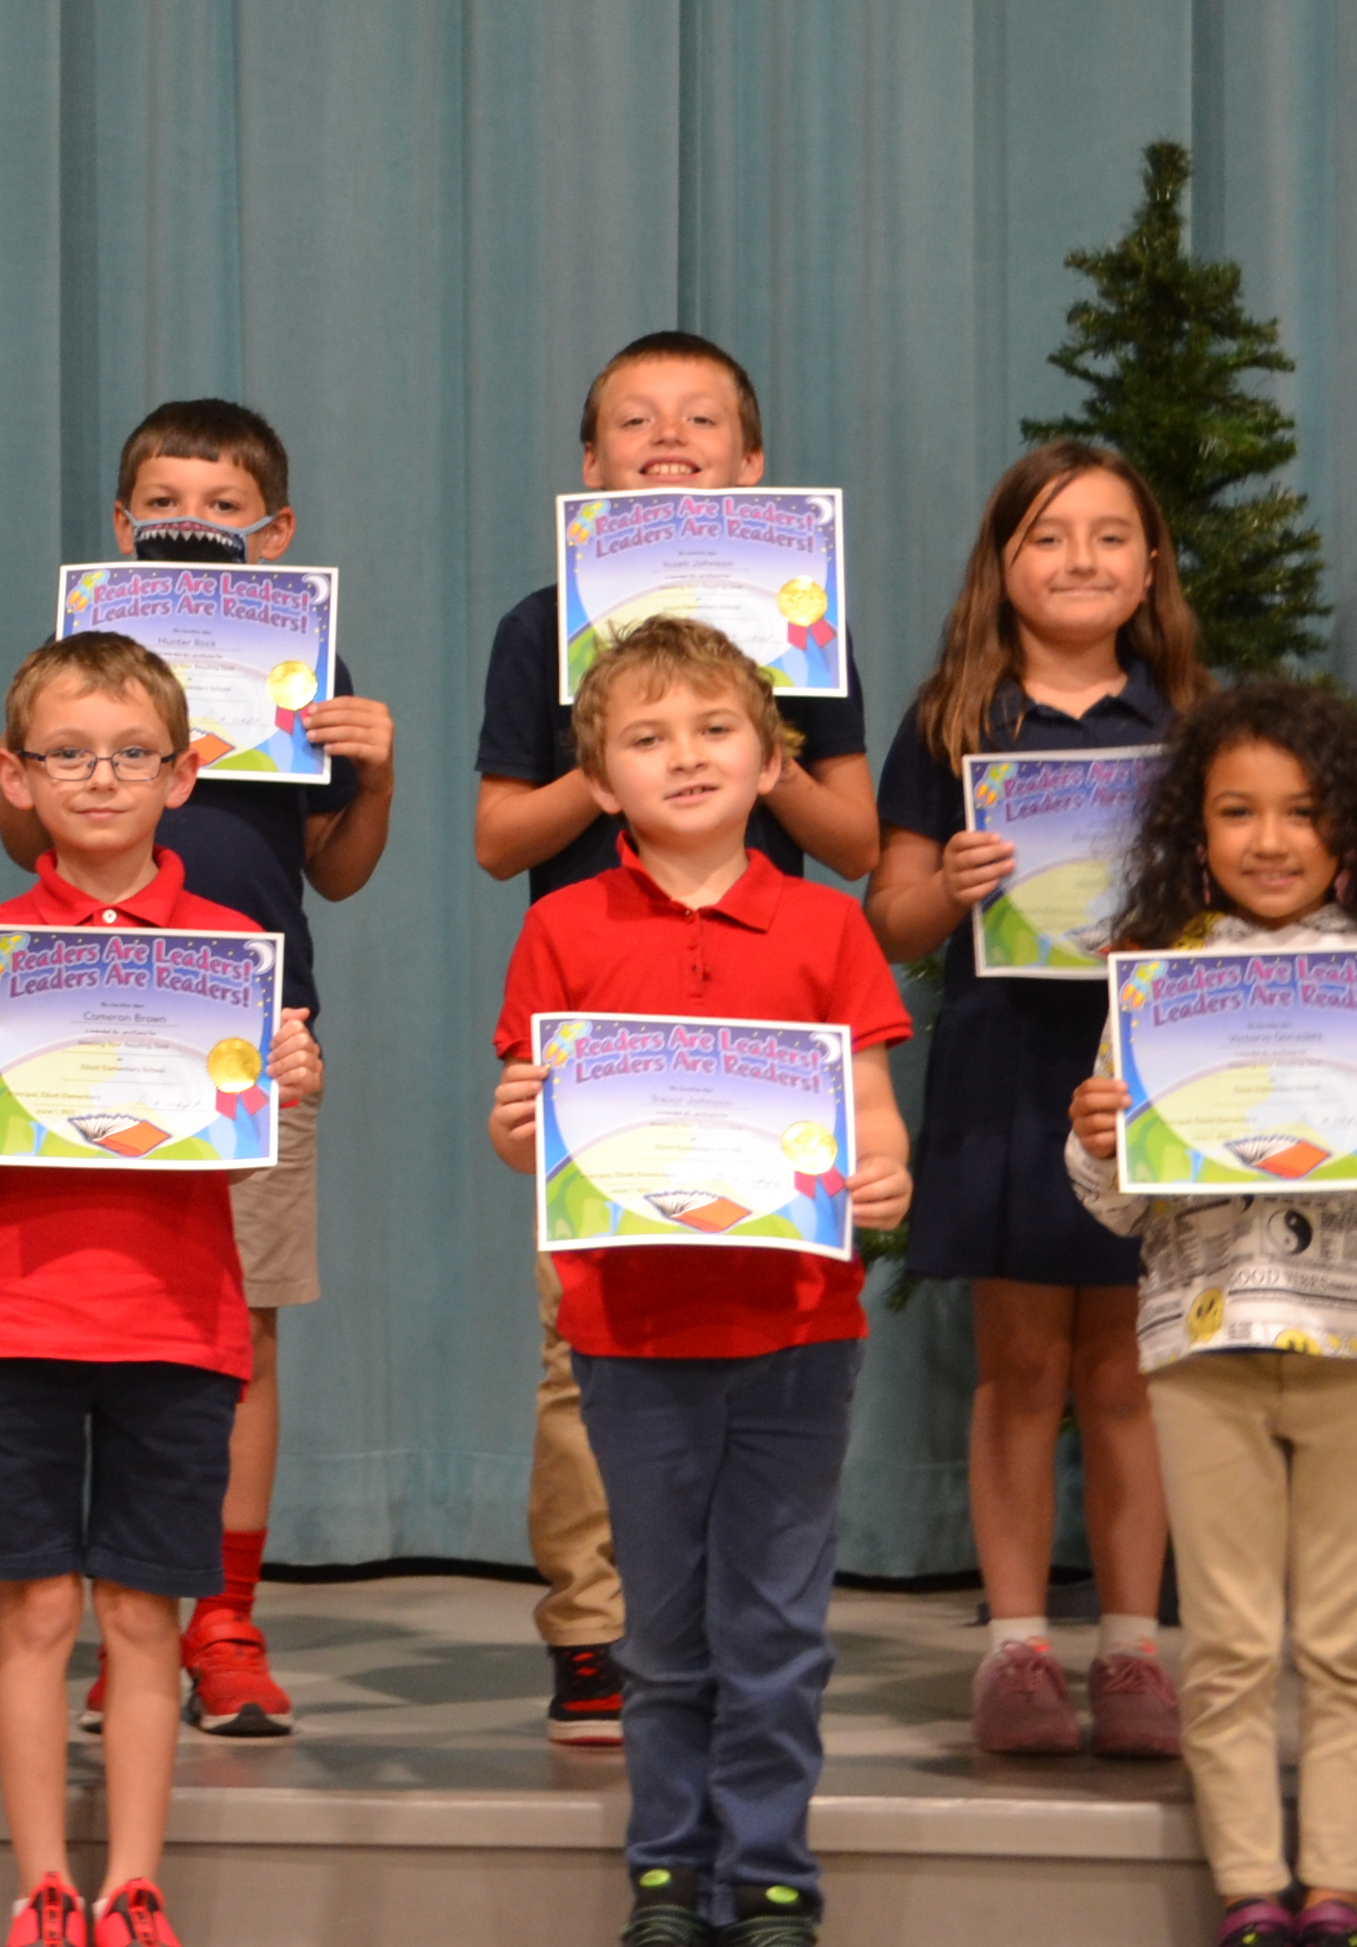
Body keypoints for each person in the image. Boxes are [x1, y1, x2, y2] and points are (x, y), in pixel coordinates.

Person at [467, 331, 876, 1742]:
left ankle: (722, 1629)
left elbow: (860, 835)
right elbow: (495, 836)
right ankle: (593, 1629)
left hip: (766, 1037)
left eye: (702, 420)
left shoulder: (805, 625)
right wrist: (616, 753)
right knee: (580, 1350)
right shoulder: (539, 628)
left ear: (751, 463)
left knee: (764, 1354)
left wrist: (744, 732)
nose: (668, 440)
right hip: (602, 1027)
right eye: (633, 422)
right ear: (592, 467)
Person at [487, 616, 911, 1947]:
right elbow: (523, 1121)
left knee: (778, 1628)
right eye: (647, 738)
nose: (685, 758)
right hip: (627, 1329)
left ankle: (773, 1869)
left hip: (798, 1328)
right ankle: (668, 1867)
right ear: (599, 781)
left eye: (716, 729)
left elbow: (870, 1102)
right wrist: (517, 1128)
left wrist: (885, 1174)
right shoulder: (560, 927)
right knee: (661, 1636)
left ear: (774, 758)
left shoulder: (828, 927)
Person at [0, 400, 395, 1740]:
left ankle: (218, 1616)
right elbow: (14, 838)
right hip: (81, 1023)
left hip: (247, 1032)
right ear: (121, 522)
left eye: (226, 507)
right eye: (168, 496)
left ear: (276, 534)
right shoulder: (75, 670)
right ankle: (127, 1624)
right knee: (97, 1331)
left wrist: (372, 772)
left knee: (240, 1331)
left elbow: (333, 866)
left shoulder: (304, 663)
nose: (194, 520)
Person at [1070, 683, 1357, 1947]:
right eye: (1239, 813)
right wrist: (1096, 1138)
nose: (1270, 840)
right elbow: (1113, 1206)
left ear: (1348, 833)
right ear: (1195, 835)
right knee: (1235, 1641)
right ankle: (1252, 1892)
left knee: (1350, 1641)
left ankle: (1339, 1894)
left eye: (1301, 814)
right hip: (1206, 1345)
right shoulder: (1157, 987)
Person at [0, 631, 322, 1947]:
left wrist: (281, 1084)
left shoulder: (230, 949)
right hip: (17, 1317)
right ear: (17, 775)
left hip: (178, 1321)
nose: (100, 778)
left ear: (185, 773)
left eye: (130, 755)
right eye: (69, 756)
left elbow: (237, 1144)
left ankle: (134, 1881)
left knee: (146, 1614)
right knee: (36, 1607)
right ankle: (43, 1879)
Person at [859, 444, 1205, 1758]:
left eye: (1111, 538)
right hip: (1006, 1068)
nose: (1081, 561)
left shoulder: (1182, 723)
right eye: (1050, 538)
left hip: (1141, 1076)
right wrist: (950, 882)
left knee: (1125, 1376)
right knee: (1019, 1373)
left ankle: (1130, 1651)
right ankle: (1014, 1650)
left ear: (1150, 567)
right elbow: (890, 921)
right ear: (1001, 566)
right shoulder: (952, 725)